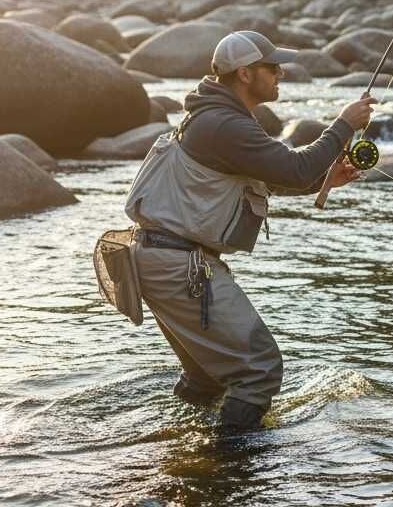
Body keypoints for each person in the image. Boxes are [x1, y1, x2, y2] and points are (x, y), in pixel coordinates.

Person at [122, 30, 377, 431]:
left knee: (206, 378)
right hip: (178, 265)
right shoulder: (225, 124)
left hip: (162, 258)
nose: (280, 74)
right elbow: (294, 167)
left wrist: (325, 180)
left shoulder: (215, 118)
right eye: (272, 67)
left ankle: (182, 449)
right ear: (244, 73)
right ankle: (226, 469)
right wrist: (344, 124)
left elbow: (273, 178)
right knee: (260, 369)